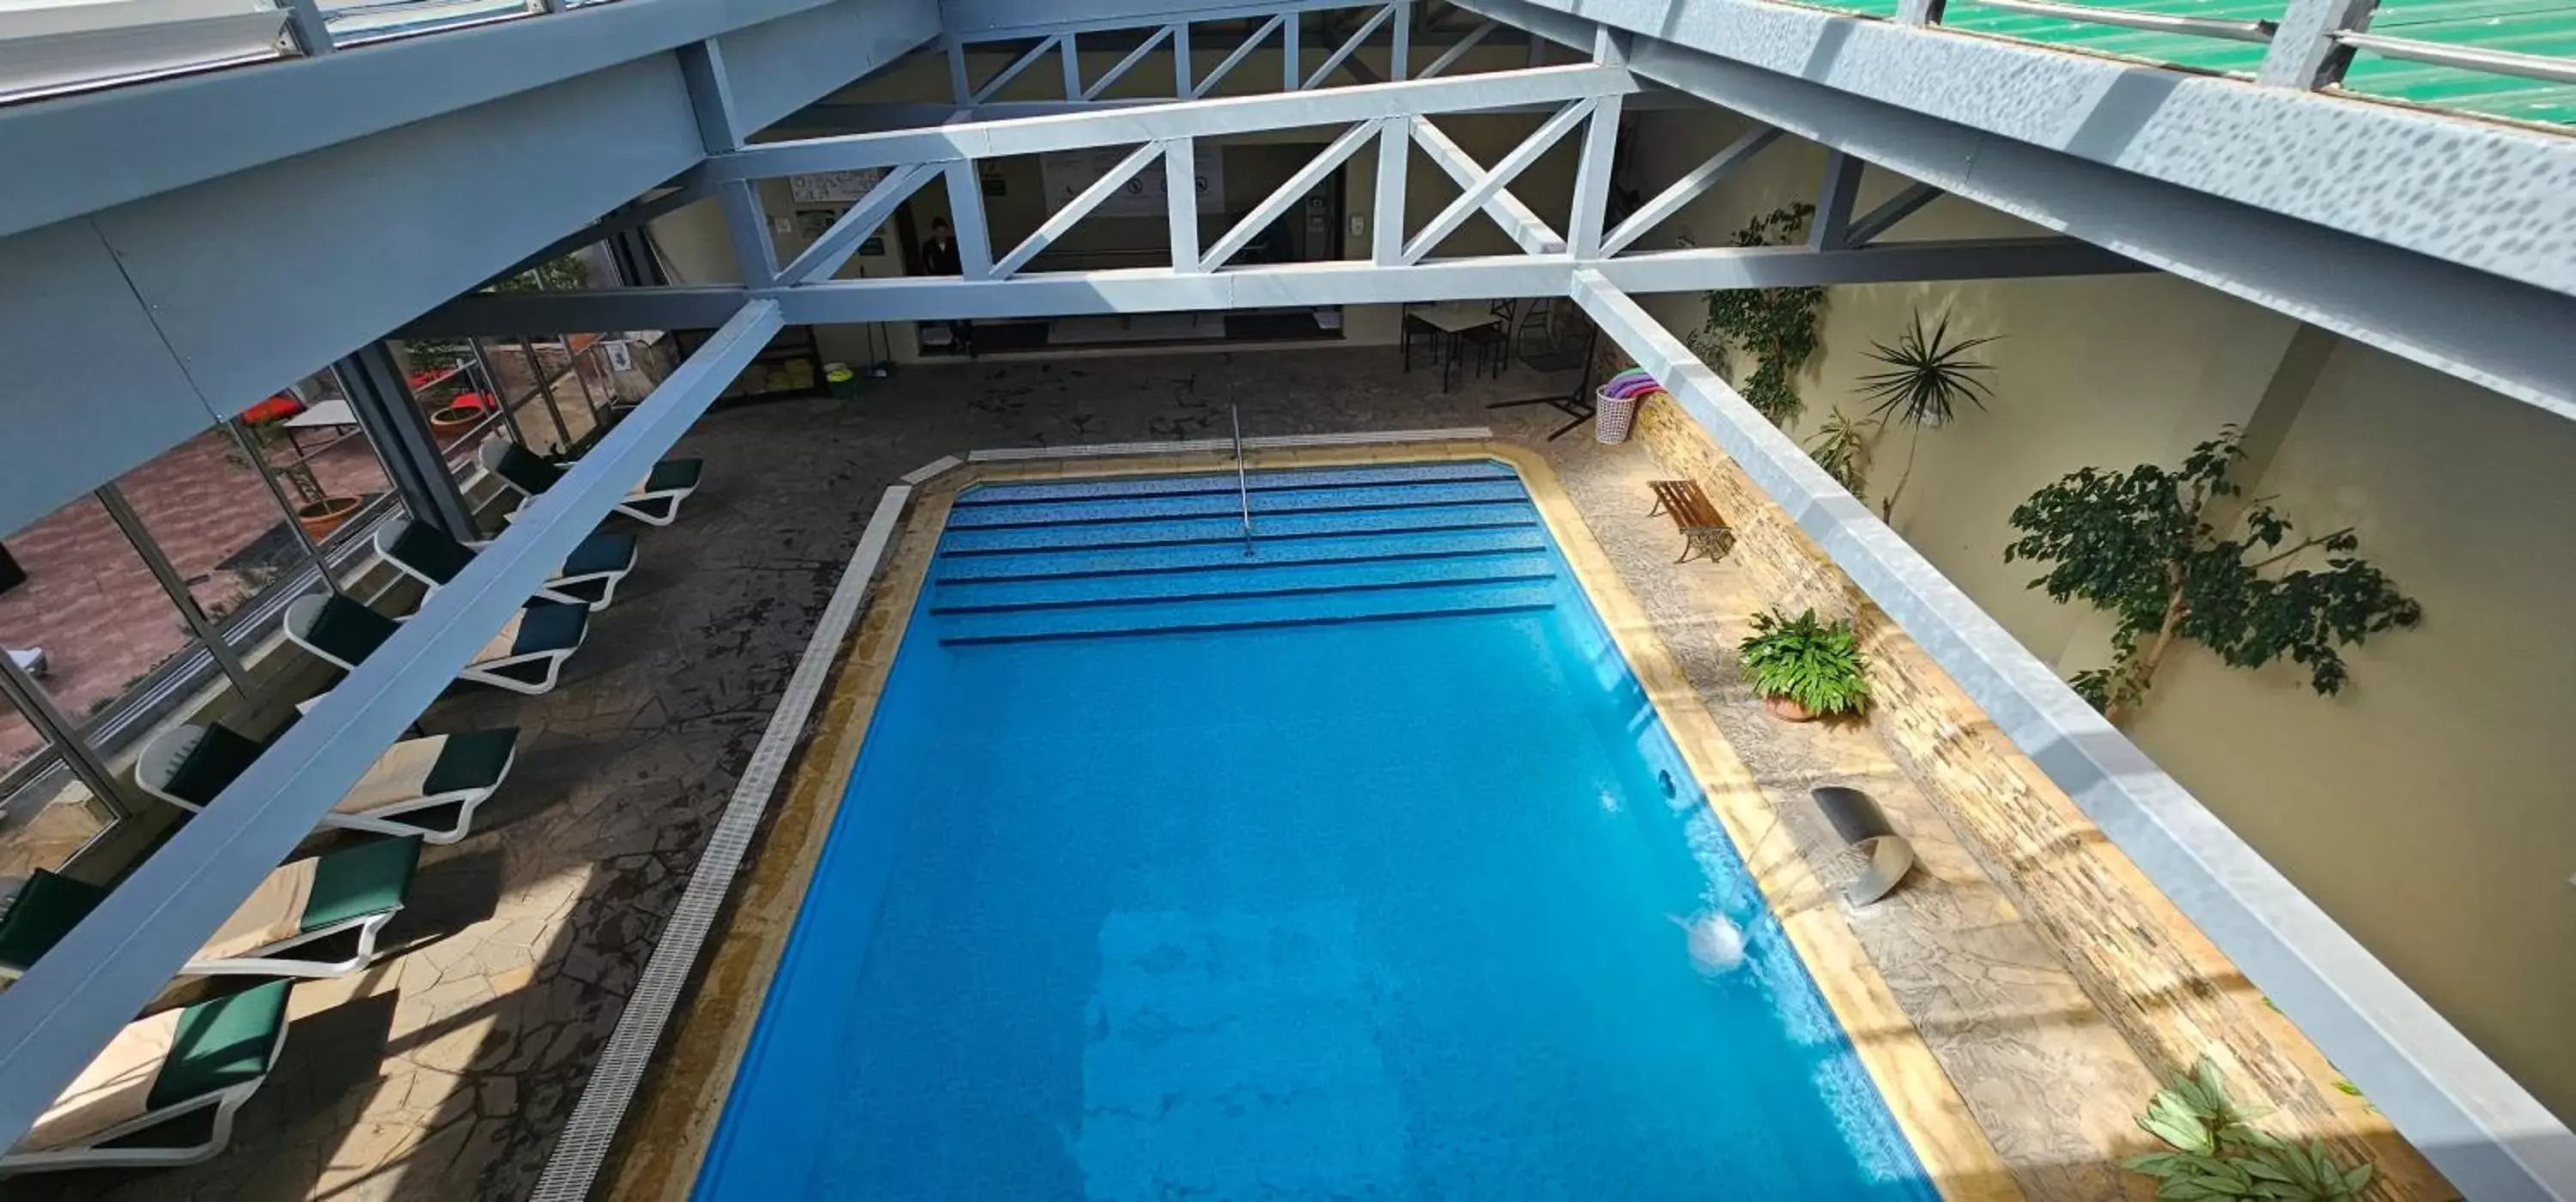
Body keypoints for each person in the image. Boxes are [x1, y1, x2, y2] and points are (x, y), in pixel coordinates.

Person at [920, 217, 975, 357]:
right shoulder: (929, 245)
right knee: (950, 312)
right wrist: (932, 279)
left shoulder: (954, 243)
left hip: (957, 279)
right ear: (934, 232)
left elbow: (964, 258)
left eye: (943, 232)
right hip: (941, 280)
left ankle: (969, 340)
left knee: (965, 311)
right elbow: (926, 264)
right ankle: (956, 339)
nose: (941, 235)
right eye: (938, 232)